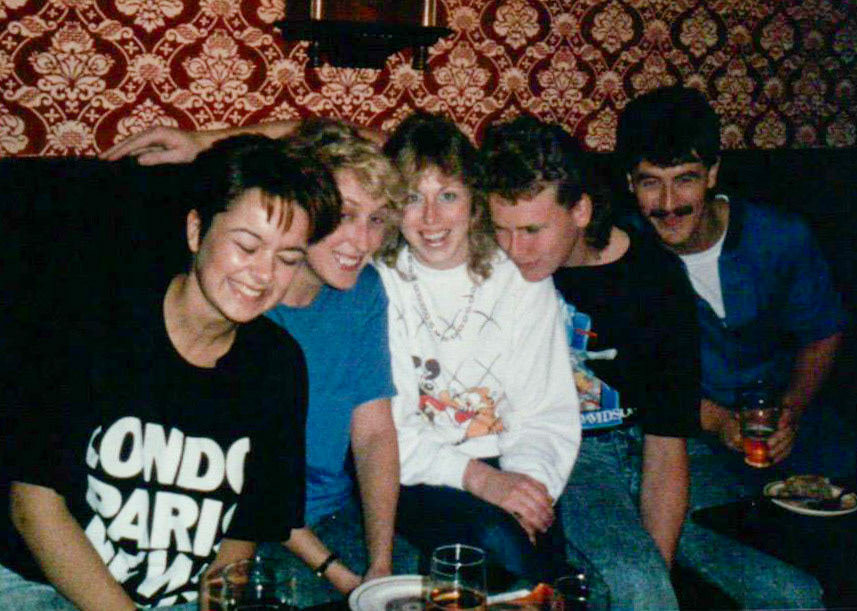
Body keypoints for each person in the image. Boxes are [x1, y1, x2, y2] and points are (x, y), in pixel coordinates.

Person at [0, 134, 341, 609]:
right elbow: (34, 508)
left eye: (287, 258)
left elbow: (243, 533)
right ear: (196, 231)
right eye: (247, 246)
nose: (263, 274)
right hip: (47, 585)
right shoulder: (91, 323)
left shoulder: (277, 365)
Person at [101, 118, 414, 607]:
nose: (363, 241)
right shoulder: (243, 303)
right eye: (346, 215)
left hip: (330, 519)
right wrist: (343, 577)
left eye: (377, 220)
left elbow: (374, 433)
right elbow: (252, 491)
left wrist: (381, 564)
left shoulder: (363, 292)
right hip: (245, 527)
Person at [617, 84, 852, 608]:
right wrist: (719, 423)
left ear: (714, 175)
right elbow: (632, 375)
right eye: (651, 183)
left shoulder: (780, 236)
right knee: (776, 582)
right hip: (687, 443)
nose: (670, 204)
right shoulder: (623, 258)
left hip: (795, 432)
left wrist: (791, 409)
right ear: (629, 183)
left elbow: (824, 330)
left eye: (686, 180)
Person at [481, 115, 699, 609]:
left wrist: (653, 571)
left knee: (788, 590)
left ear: (580, 209)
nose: (514, 251)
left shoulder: (656, 280)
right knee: (636, 583)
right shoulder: (492, 265)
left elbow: (667, 446)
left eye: (533, 230)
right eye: (501, 229)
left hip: (653, 449)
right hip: (570, 454)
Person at [377, 112, 580, 590]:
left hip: (512, 460)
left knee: (543, 572)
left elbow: (545, 411)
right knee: (496, 539)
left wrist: (527, 490)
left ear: (474, 202)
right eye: (412, 198)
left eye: (447, 195)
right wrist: (481, 481)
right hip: (418, 473)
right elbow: (388, 434)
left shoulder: (519, 277)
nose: (431, 219)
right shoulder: (380, 283)